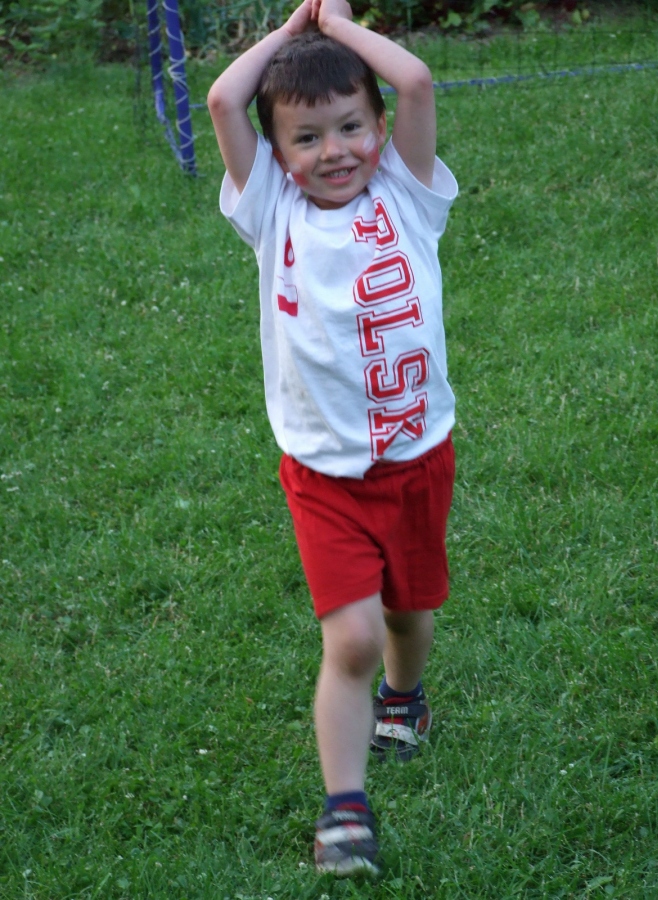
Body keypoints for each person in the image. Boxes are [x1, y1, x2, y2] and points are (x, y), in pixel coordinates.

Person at [208, 0, 458, 876]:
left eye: (351, 126)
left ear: (380, 129)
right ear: (276, 156)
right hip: (322, 470)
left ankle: (406, 696)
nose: (333, 151)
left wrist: (338, 27)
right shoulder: (270, 212)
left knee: (407, 611)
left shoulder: (407, 190)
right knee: (349, 636)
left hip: (419, 453)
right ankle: (344, 807)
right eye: (306, 138)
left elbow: (416, 79)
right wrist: (292, 30)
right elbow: (221, 102)